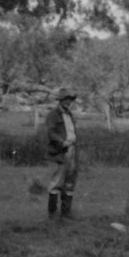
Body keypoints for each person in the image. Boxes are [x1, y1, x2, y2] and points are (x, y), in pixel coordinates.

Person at [45, 88, 79, 220]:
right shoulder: (53, 115)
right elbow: (51, 132)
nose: (68, 102)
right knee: (56, 183)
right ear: (60, 100)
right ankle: (52, 215)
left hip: (72, 151)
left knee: (70, 183)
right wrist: (62, 142)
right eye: (66, 99)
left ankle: (66, 214)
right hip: (59, 153)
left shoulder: (70, 115)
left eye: (70, 100)